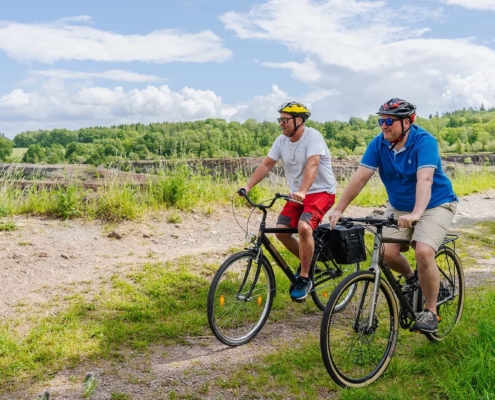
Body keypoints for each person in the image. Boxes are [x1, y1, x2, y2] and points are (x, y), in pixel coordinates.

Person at [328, 98, 458, 334]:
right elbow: (359, 178)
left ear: (408, 122)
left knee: (423, 251)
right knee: (385, 252)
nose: (383, 126)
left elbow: (425, 179)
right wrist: (339, 209)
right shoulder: (378, 144)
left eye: (389, 121)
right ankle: (412, 278)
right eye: (381, 121)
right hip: (399, 206)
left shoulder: (424, 142)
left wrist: (417, 213)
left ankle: (430, 312)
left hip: (435, 203)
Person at [241, 101, 337, 301]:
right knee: (280, 232)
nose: (281, 124)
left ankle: (304, 276)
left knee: (304, 227)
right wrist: (247, 187)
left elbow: (313, 165)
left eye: (285, 120)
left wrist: (302, 191)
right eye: (280, 120)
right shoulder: (281, 141)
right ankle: (309, 262)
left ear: (299, 121)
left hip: (321, 192)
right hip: (297, 194)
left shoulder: (313, 137)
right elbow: (267, 164)